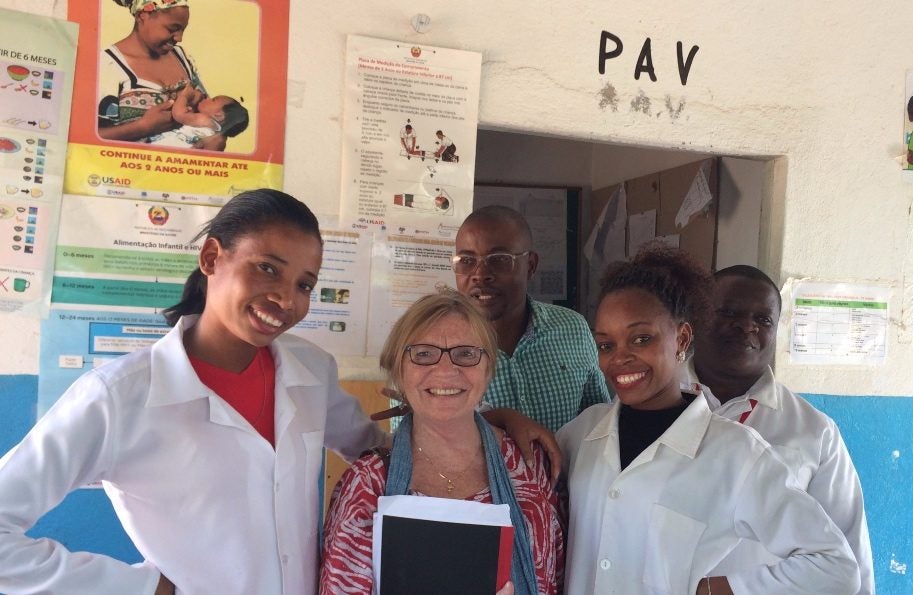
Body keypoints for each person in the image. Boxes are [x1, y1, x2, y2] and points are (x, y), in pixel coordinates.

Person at [0, 189, 383, 594]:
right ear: (212, 258)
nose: (286, 298)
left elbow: (377, 455)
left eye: (305, 285)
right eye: (268, 269)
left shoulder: (312, 371)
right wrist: (145, 589)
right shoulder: (119, 395)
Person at [558, 246, 860, 595]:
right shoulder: (580, 435)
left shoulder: (738, 453)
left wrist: (720, 590)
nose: (620, 358)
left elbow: (835, 567)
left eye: (642, 339)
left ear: (682, 339)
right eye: (606, 345)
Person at [321, 291, 563, 595]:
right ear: (399, 370)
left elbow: (556, 581)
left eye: (465, 354)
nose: (447, 370)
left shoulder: (531, 468)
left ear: (488, 370)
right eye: (423, 354)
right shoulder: (366, 485)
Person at [687, 264, 875, 595]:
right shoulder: (650, 409)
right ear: (694, 319)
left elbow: (849, 545)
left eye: (763, 320)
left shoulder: (813, 432)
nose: (747, 326)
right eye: (729, 312)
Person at [454, 205, 611, 432]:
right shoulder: (435, 348)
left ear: (530, 266)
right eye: (467, 260)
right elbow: (414, 446)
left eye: (499, 259)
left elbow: (599, 422)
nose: (480, 274)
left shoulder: (572, 329)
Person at [97, 0, 227, 151]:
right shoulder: (107, 64)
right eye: (173, 29)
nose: (179, 38)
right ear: (143, 15)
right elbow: (86, 137)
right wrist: (142, 127)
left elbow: (210, 114)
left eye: (183, 30)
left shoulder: (182, 57)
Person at [158, 82, 249, 149]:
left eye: (213, 100)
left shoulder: (204, 120)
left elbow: (178, 114)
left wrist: (184, 96)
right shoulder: (217, 137)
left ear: (218, 115)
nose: (208, 98)